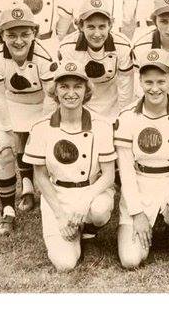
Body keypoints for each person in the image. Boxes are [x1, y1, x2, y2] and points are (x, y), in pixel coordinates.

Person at [22, 59, 116, 272]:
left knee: (99, 210)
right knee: (65, 264)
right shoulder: (40, 127)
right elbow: (40, 177)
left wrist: (84, 200)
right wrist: (61, 215)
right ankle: (73, 228)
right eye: (64, 86)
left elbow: (109, 176)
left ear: (87, 90)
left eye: (78, 86)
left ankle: (89, 232)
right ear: (54, 91)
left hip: (92, 192)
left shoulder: (101, 125)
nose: (70, 93)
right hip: (58, 194)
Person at [114, 49, 169, 269]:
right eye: (148, 82)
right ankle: (137, 226)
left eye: (161, 81)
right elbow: (125, 169)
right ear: (140, 81)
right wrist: (137, 212)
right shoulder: (127, 115)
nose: (154, 88)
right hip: (140, 182)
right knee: (131, 260)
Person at [0, 4, 56, 235]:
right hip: (9, 106)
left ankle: (32, 189)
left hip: (41, 105)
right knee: (4, 152)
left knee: (45, 152)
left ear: (35, 32)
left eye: (25, 34)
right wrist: (10, 134)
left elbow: (52, 99)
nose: (19, 41)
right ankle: (8, 210)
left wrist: (40, 132)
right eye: (11, 34)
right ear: (1, 35)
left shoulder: (46, 55)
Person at [58, 0, 134, 122]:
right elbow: (67, 87)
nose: (97, 34)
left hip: (113, 106)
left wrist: (122, 118)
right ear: (81, 26)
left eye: (102, 26)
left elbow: (125, 87)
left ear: (110, 25)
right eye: (91, 27)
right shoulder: (67, 47)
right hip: (81, 105)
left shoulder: (123, 46)